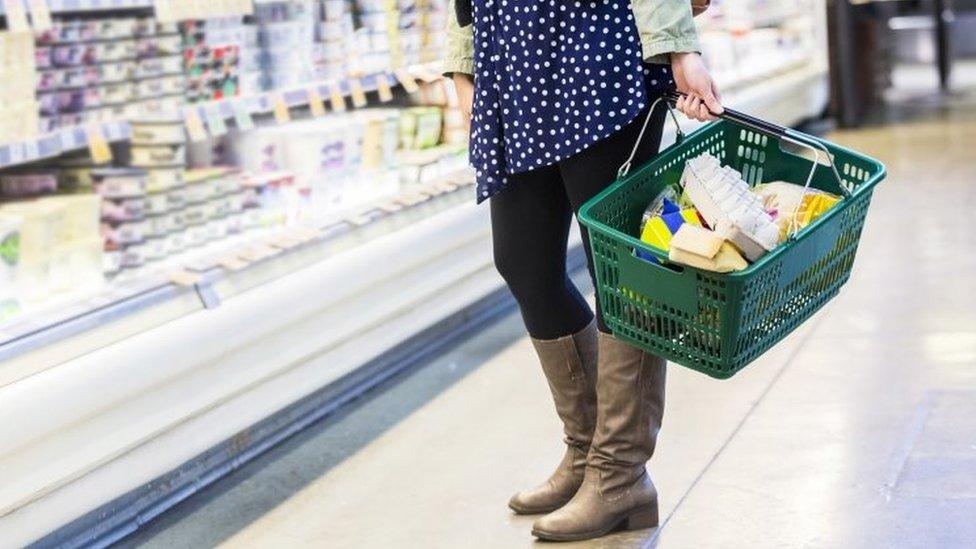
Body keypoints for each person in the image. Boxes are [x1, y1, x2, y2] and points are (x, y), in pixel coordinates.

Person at [443, 0, 723, 541]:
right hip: (512, 61)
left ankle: (619, 475)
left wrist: (680, 49)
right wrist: (464, 65)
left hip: (598, 52)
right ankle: (587, 452)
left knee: (620, 273)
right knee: (524, 263)